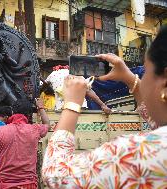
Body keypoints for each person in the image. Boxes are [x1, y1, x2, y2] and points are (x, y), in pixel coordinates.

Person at [42, 25, 167, 188]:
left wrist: (72, 103)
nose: (143, 82)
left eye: (146, 72)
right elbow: (157, 122)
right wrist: (130, 78)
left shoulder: (140, 153)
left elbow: (56, 175)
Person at [0, 99, 50, 189]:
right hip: (28, 185)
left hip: (4, 185)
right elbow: (47, 124)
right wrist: (41, 107)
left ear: (13, 112)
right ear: (28, 115)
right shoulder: (35, 130)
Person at [45, 65, 112, 114]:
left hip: (62, 110)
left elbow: (43, 86)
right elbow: (88, 90)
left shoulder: (52, 75)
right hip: (79, 108)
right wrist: (103, 105)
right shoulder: (77, 75)